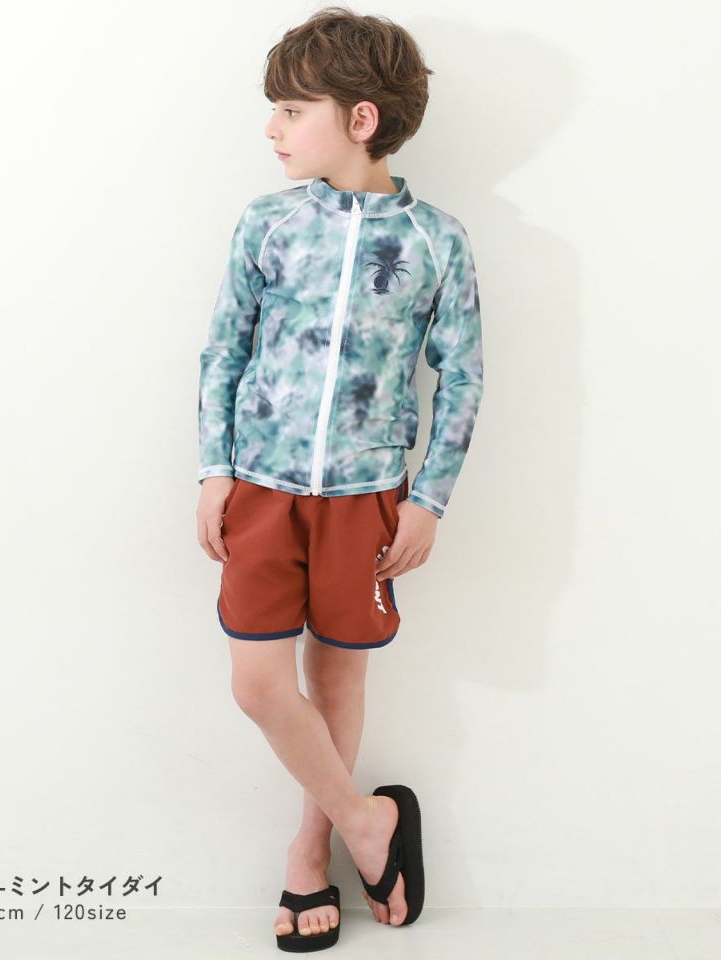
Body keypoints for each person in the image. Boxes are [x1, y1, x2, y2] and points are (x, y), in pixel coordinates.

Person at [196, 5, 484, 951]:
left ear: (360, 119)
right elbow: (225, 350)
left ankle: (309, 854)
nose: (271, 129)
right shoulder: (269, 222)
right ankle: (370, 822)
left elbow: (462, 376)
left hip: (367, 499)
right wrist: (214, 470)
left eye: (291, 110)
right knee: (258, 684)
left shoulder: (437, 242)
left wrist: (429, 498)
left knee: (338, 677)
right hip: (262, 486)